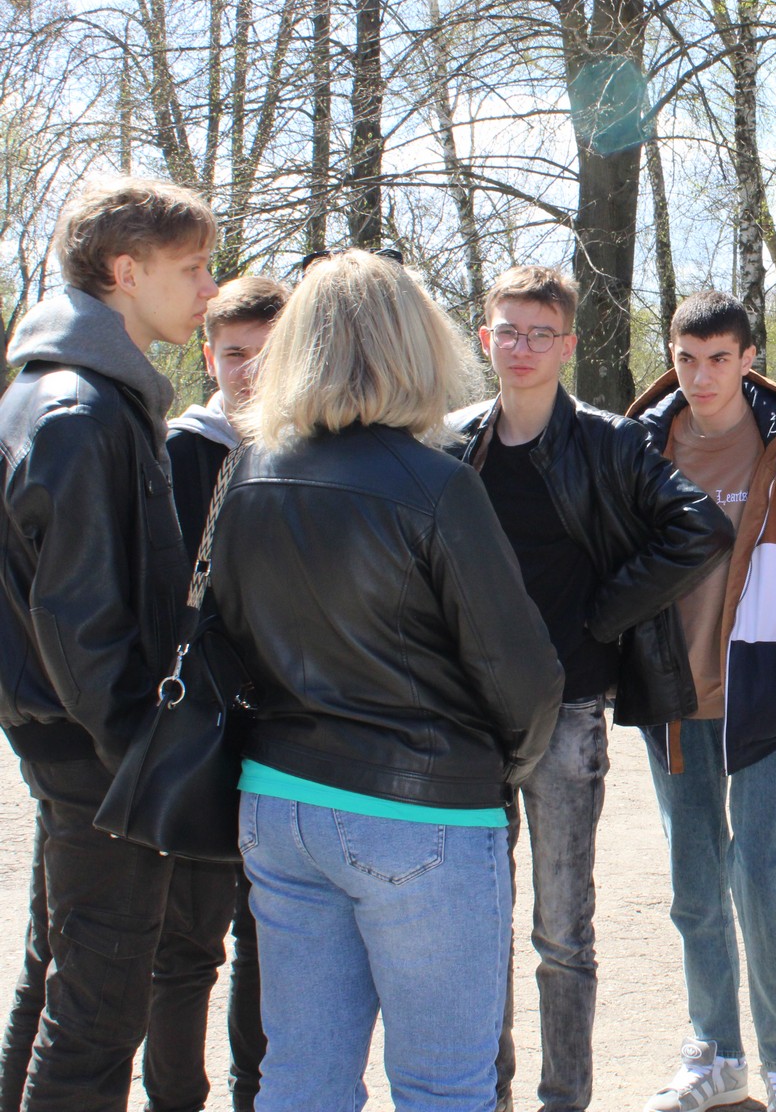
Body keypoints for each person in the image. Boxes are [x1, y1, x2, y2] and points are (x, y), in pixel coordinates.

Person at [208, 249, 562, 1111]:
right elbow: (523, 676)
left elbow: (231, 638)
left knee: (301, 1078)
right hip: (420, 810)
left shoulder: (247, 473)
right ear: (416, 346)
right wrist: (500, 771)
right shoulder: (437, 484)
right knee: (445, 1087)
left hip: (280, 802)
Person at [446, 266, 734, 1112]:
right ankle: (489, 1096)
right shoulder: (452, 443)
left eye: (541, 334)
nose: (523, 348)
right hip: (469, 714)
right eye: (509, 331)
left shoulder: (610, 443)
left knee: (562, 932)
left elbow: (701, 526)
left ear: (568, 345)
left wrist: (603, 614)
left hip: (568, 711)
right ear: (485, 337)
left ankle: (562, 1099)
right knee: (477, 929)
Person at [626, 293, 776, 1112]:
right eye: (686, 359)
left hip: (762, 708)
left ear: (748, 358)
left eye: (719, 359)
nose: (701, 377)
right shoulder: (639, 445)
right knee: (694, 891)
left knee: (764, 888)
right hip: (673, 707)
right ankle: (717, 1056)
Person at [0, 176, 218, 1111]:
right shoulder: (80, 411)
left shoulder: (72, 394)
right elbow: (79, 618)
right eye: (192, 267)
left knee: (57, 983)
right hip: (98, 759)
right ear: (126, 273)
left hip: (71, 745)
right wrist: (141, 758)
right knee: (96, 1015)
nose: (209, 288)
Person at [146, 276, 286, 1112]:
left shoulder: (310, 456)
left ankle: (255, 1096)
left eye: (268, 356)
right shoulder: (176, 454)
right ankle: (173, 1098)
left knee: (271, 943)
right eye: (235, 354)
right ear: (208, 357)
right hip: (202, 723)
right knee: (186, 945)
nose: (250, 373)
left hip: (285, 728)